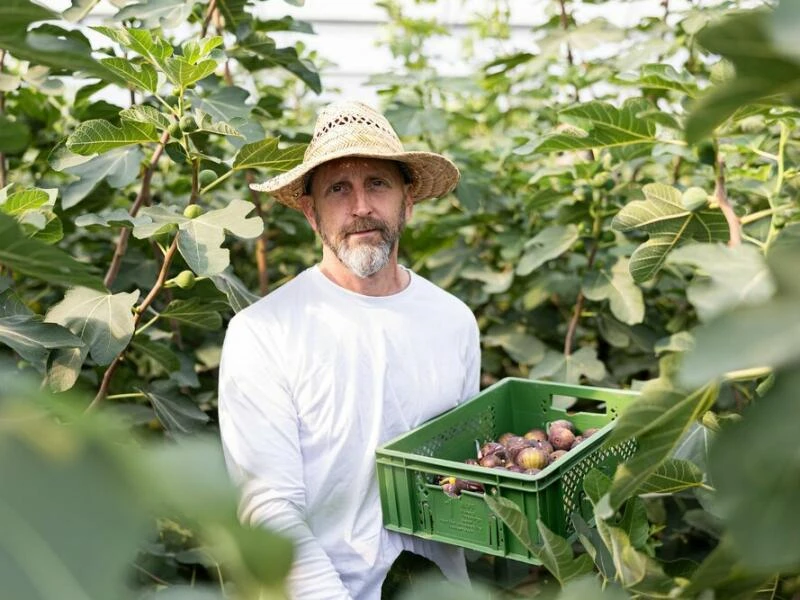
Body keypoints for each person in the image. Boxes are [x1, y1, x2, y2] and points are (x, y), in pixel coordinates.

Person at [217, 100, 481, 599]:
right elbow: (269, 507)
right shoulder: (264, 332)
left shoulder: (453, 321)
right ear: (312, 214)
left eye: (377, 184)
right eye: (338, 189)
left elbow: (460, 473)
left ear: (408, 201)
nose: (360, 206)